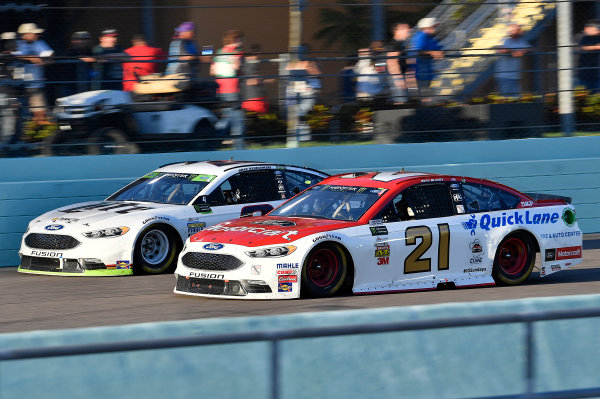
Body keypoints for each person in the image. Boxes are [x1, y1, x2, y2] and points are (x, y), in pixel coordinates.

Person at [211, 30, 245, 148]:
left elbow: (213, 71)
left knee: (227, 118)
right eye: (240, 39)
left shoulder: (219, 53)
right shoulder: (237, 52)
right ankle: (239, 149)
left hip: (220, 89)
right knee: (238, 121)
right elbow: (237, 67)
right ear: (235, 40)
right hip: (233, 90)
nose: (241, 41)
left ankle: (213, 141)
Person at [14, 23, 54, 121]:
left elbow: (50, 58)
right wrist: (30, 58)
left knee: (40, 112)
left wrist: (43, 60)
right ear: (25, 34)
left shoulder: (40, 43)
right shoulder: (16, 44)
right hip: (15, 85)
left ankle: (39, 132)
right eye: (34, 33)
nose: (37, 35)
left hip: (34, 84)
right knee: (15, 113)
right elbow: (13, 56)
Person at [410, 17, 444, 101]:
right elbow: (418, 51)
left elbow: (438, 50)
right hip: (419, 72)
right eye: (434, 26)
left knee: (427, 94)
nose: (435, 28)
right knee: (423, 95)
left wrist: (440, 53)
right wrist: (432, 53)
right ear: (427, 27)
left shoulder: (431, 38)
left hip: (428, 71)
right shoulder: (421, 36)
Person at [494, 24, 531, 98]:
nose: (519, 32)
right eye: (516, 30)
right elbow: (501, 49)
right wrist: (513, 52)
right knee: (505, 99)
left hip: (515, 76)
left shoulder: (521, 42)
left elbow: (528, 49)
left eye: (519, 30)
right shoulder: (505, 40)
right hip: (504, 76)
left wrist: (521, 52)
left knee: (516, 99)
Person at [386, 23, 415, 104]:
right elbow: (391, 62)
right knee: (401, 102)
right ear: (397, 32)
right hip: (398, 77)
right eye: (404, 28)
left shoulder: (402, 44)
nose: (409, 30)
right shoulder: (394, 44)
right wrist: (398, 79)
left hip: (403, 76)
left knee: (406, 101)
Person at [241, 44, 270, 114]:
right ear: (257, 53)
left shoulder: (244, 62)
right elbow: (251, 81)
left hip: (247, 97)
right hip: (256, 97)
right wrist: (266, 81)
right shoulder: (253, 63)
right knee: (259, 119)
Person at [577, 20, 600, 92]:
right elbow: (583, 47)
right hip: (585, 71)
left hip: (596, 71)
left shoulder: (598, 37)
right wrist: (596, 47)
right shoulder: (584, 38)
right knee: (586, 90)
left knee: (596, 90)